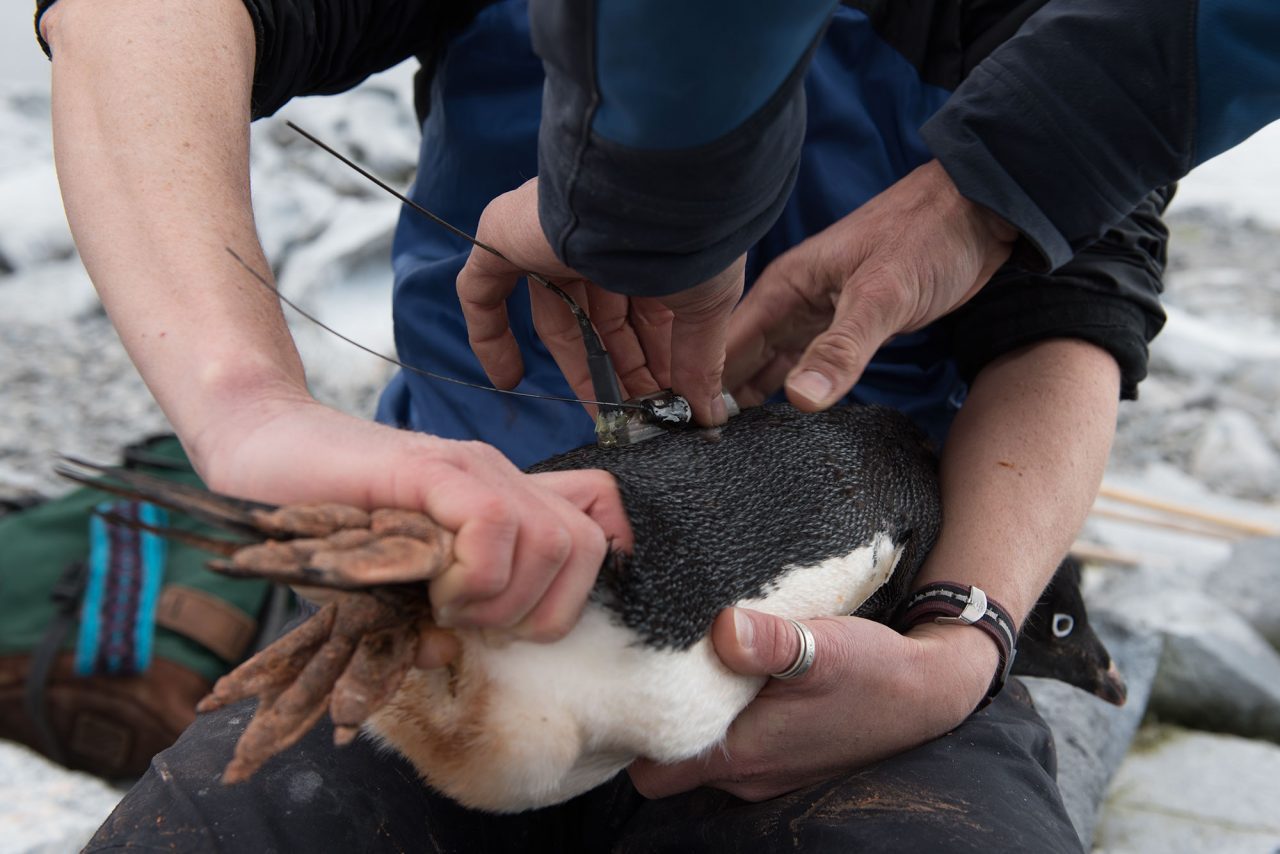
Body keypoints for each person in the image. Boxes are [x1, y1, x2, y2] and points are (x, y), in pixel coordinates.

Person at [27, 0, 1199, 849]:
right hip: (455, 579)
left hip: (883, 617)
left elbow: (1075, 305)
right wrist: (247, 402)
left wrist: (962, 635)